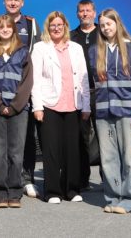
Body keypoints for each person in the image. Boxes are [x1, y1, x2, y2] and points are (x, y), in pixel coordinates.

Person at [31, 11, 90, 205]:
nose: (56, 28)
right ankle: (52, 191)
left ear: (65, 26)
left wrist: (86, 106)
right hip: (49, 105)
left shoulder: (76, 48)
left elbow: (83, 78)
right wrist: (37, 106)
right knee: (51, 151)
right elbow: (36, 80)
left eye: (60, 25)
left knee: (72, 151)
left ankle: (71, 190)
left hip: (73, 105)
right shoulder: (40, 48)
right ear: (48, 28)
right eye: (52, 25)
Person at [89, 8, 131, 214]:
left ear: (117, 24)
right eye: (102, 25)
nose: (105, 28)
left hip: (127, 110)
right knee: (108, 158)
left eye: (108, 24)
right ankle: (113, 197)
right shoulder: (95, 51)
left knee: (129, 157)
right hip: (104, 111)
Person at [0, 14, 33, 208]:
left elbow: (27, 82)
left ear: (13, 29)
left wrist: (15, 105)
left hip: (19, 110)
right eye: (1, 27)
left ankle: (15, 192)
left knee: (16, 153)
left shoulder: (23, 51)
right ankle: (0, 192)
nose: (5, 30)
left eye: (8, 27)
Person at [2, 0, 40, 198]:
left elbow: (36, 54)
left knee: (26, 136)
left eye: (16, 0)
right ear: (4, 2)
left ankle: (26, 178)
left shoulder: (31, 24)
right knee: (6, 138)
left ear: (22, 3)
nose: (13, 3)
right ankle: (8, 177)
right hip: (4, 88)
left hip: (25, 87)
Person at [70, 0, 101, 189]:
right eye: (81, 11)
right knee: (81, 138)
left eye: (88, 11)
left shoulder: (103, 33)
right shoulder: (72, 36)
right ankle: (83, 179)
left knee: (104, 136)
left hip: (101, 92)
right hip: (80, 93)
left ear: (94, 13)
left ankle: (108, 178)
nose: (85, 14)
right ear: (77, 14)